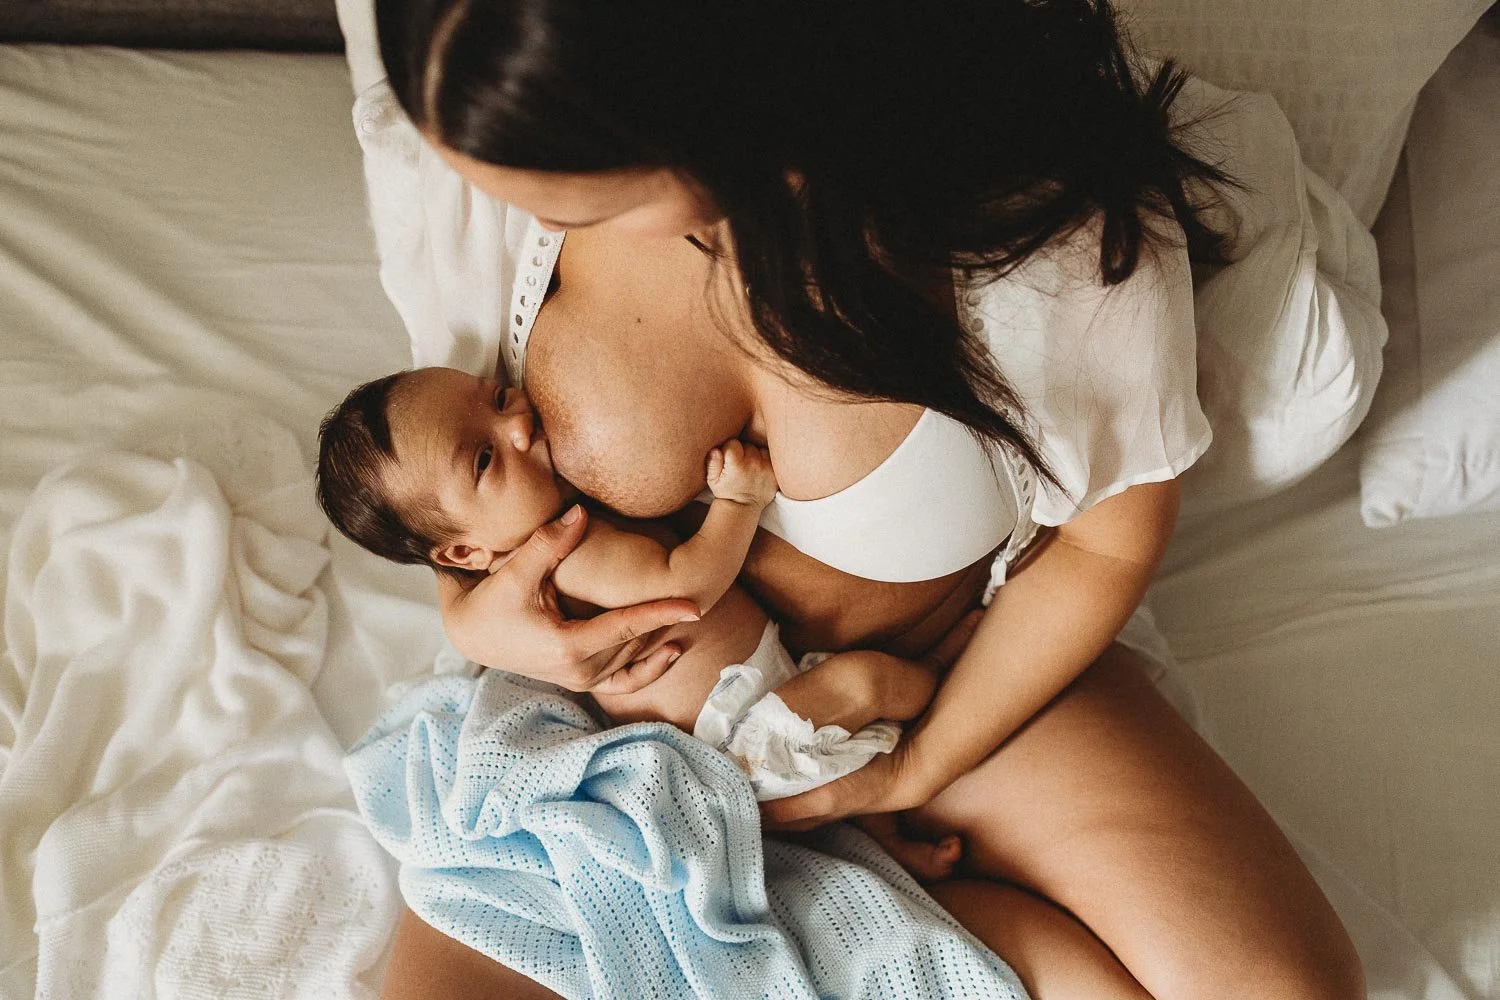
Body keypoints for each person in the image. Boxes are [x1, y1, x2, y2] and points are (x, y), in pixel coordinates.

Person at [358, 0, 1364, 996]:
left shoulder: (1039, 222)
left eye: (574, 195)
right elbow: (442, 484)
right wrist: (488, 623)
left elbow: (1104, 549)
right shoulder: (494, 111)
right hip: (623, 720)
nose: (534, 216)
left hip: (938, 680)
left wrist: (912, 768)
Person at [316, 367, 942, 799]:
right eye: (484, 459)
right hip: (740, 741)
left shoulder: (513, 567)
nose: (518, 427)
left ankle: (889, 827)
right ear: (463, 551)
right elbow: (688, 587)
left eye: (500, 396)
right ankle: (942, 688)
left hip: (748, 710)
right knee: (868, 682)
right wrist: (740, 502)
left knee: (846, 721)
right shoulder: (571, 552)